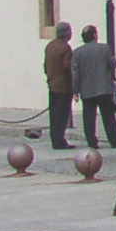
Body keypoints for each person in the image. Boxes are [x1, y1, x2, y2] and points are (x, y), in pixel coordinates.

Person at [71, 24, 116, 149]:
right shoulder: (104, 48)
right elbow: (112, 64)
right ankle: (115, 140)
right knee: (108, 117)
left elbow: (76, 74)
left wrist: (75, 90)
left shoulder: (77, 52)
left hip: (87, 89)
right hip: (104, 88)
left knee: (88, 118)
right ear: (95, 35)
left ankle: (92, 142)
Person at [43, 21, 74, 150]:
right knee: (62, 115)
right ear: (67, 34)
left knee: (54, 114)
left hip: (52, 84)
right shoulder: (65, 48)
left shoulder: (50, 46)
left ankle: (55, 138)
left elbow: (45, 65)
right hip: (63, 86)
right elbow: (68, 67)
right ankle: (59, 140)